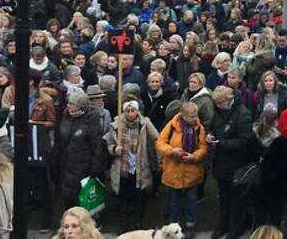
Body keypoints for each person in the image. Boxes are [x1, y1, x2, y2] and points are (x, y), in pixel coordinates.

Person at [105, 100, 160, 232]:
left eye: (133, 110)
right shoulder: (116, 125)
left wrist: (158, 158)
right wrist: (114, 149)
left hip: (139, 167)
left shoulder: (144, 123)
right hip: (122, 168)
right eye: (127, 111)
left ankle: (138, 224)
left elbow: (157, 138)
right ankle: (124, 227)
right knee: (123, 198)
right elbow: (109, 143)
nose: (130, 114)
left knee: (138, 198)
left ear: (137, 111)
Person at [156, 101, 208, 239]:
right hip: (174, 171)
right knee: (174, 201)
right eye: (191, 116)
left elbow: (203, 147)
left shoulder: (199, 128)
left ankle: (190, 226)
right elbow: (160, 143)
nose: (194, 118)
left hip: (192, 171)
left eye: (196, 115)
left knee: (191, 201)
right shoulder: (172, 126)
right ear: (182, 115)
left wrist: (194, 156)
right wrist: (172, 151)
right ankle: (174, 228)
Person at [208, 85, 254, 239]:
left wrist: (221, 143)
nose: (218, 106)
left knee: (236, 199)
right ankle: (223, 225)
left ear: (229, 100)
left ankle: (236, 228)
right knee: (223, 197)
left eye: (220, 103)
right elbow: (213, 128)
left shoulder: (243, 114)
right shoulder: (218, 112)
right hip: (221, 164)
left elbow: (245, 141)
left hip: (237, 165)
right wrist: (210, 135)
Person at [54, 88, 106, 208]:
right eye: (68, 103)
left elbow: (96, 145)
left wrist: (95, 167)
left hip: (83, 166)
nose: (69, 106)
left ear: (81, 106)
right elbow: (59, 140)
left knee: (82, 199)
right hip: (65, 164)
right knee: (67, 198)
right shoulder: (65, 116)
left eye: (72, 104)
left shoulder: (91, 119)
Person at [252, 107, 287, 228]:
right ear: (276, 121)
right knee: (276, 216)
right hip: (279, 184)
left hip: (260, 181)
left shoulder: (255, 136)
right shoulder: (281, 141)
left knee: (261, 216)